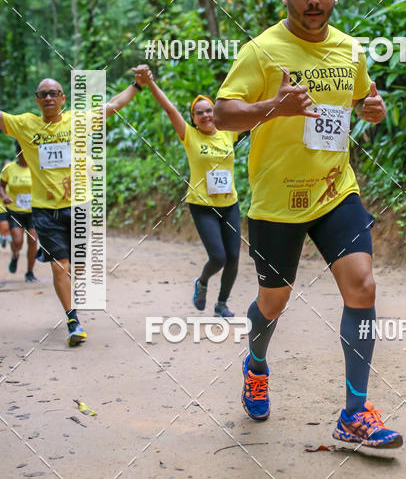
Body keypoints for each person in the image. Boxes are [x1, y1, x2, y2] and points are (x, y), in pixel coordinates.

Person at [213, 0, 402, 449]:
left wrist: (371, 108)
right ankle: (256, 365)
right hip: (278, 201)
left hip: (336, 190)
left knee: (362, 286)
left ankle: (354, 414)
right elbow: (224, 114)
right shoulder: (261, 51)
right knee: (273, 302)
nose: (313, 0)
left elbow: (359, 99)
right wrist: (273, 107)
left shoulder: (349, 49)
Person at [0, 68, 149, 346]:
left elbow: (113, 105)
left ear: (63, 98)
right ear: (37, 100)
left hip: (79, 206)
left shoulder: (78, 121)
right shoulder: (25, 124)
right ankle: (73, 320)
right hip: (45, 210)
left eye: (53, 93)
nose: (48, 98)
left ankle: (72, 290)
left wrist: (137, 85)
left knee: (77, 266)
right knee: (60, 267)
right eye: (43, 94)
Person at [140, 66, 241, 317]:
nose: (205, 115)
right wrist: (150, 82)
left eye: (209, 110)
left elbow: (254, 114)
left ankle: (221, 304)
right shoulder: (190, 136)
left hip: (230, 205)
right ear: (193, 119)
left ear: (216, 112)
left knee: (233, 257)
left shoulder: (229, 133)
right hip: (202, 206)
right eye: (199, 113)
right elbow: (169, 109)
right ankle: (202, 282)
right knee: (218, 257)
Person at [0, 141, 39, 280]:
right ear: (18, 153)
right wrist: (4, 196)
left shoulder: (36, 167)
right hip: (15, 211)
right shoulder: (9, 168)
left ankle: (30, 272)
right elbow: (1, 186)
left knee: (33, 241)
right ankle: (15, 255)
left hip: (33, 211)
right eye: (22, 153)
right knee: (17, 241)